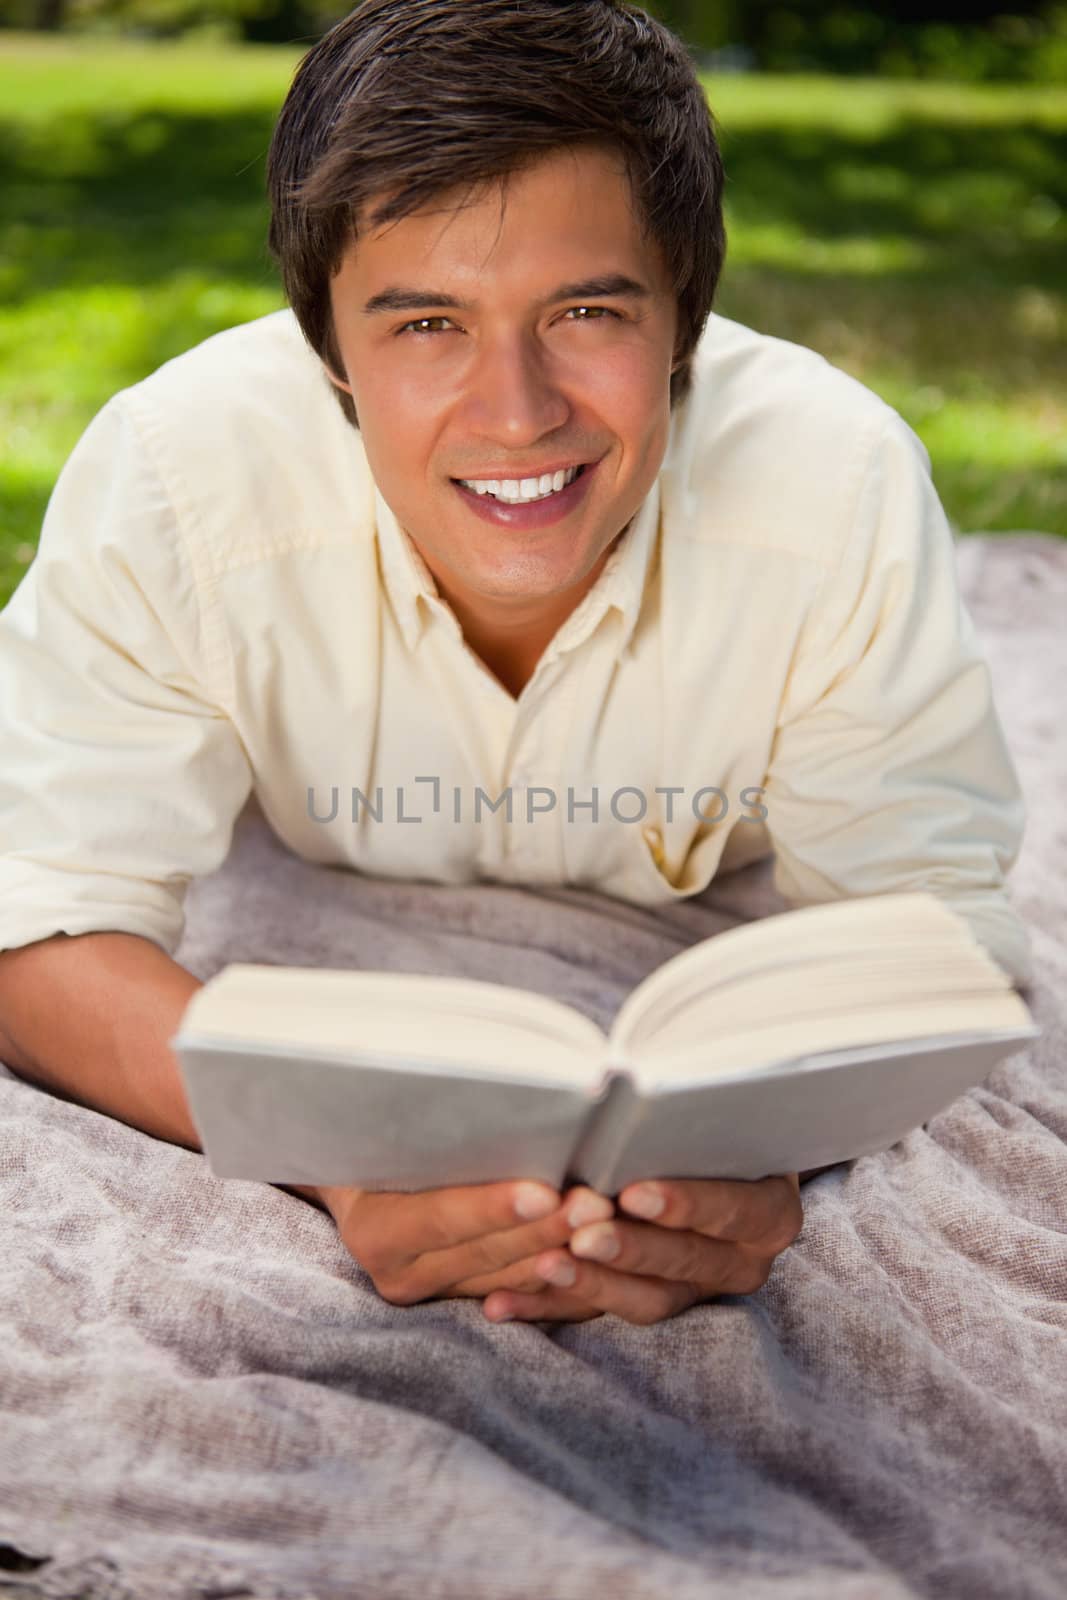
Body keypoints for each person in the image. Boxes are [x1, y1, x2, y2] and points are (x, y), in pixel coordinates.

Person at [0, 0, 1031, 1328]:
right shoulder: (178, 476)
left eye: (587, 310)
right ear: (325, 345)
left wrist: (764, 1158)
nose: (517, 412)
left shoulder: (834, 481)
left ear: (685, 323)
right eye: (425, 323)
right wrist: (339, 1147)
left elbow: (932, 939)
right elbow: (35, 926)